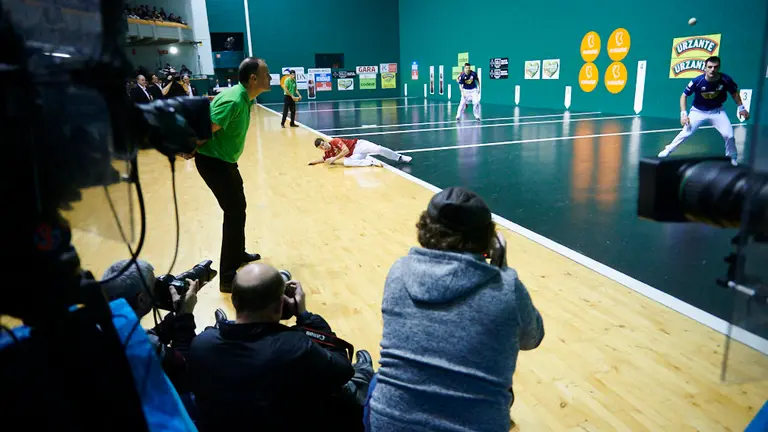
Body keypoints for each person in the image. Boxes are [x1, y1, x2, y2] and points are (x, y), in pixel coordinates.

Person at [366, 187, 545, 432]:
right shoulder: (506, 288)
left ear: (424, 228)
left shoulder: (398, 272)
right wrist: (501, 271)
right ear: (490, 240)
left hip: (387, 423)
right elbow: (532, 339)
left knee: (380, 378)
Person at [186, 263, 374, 432]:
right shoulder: (295, 347)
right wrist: (305, 317)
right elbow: (342, 369)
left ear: (234, 301)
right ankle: (364, 373)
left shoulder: (202, 344)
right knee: (352, 381)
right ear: (280, 304)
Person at [184, 57, 272, 293]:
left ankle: (237, 253)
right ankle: (227, 277)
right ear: (253, 78)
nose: (270, 77)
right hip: (215, 163)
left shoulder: (245, 98)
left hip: (225, 162)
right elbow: (206, 126)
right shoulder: (234, 100)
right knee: (233, 212)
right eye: (267, 74)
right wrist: (188, 147)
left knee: (238, 207)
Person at [100, 259, 204, 399]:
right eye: (155, 285)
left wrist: (175, 317)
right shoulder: (138, 343)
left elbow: (146, 335)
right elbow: (184, 368)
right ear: (142, 299)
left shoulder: (103, 325)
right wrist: (185, 316)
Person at [657, 56, 750, 166]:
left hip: (717, 112)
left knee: (729, 135)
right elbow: (683, 96)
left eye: (715, 67)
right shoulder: (697, 81)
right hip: (698, 112)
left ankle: (732, 158)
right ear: (705, 68)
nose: (712, 70)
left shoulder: (726, 80)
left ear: (719, 67)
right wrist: (683, 114)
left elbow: (734, 93)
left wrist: (741, 108)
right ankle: (667, 151)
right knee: (686, 133)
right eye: (709, 67)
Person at [309, 137, 412, 167]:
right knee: (346, 163)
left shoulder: (335, 141)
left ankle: (400, 157)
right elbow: (323, 159)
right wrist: (313, 162)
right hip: (356, 155)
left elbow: (346, 150)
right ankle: (371, 162)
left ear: (325, 141)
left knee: (378, 149)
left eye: (323, 144)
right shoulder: (328, 153)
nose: (324, 147)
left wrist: (334, 159)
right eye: (321, 147)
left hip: (359, 145)